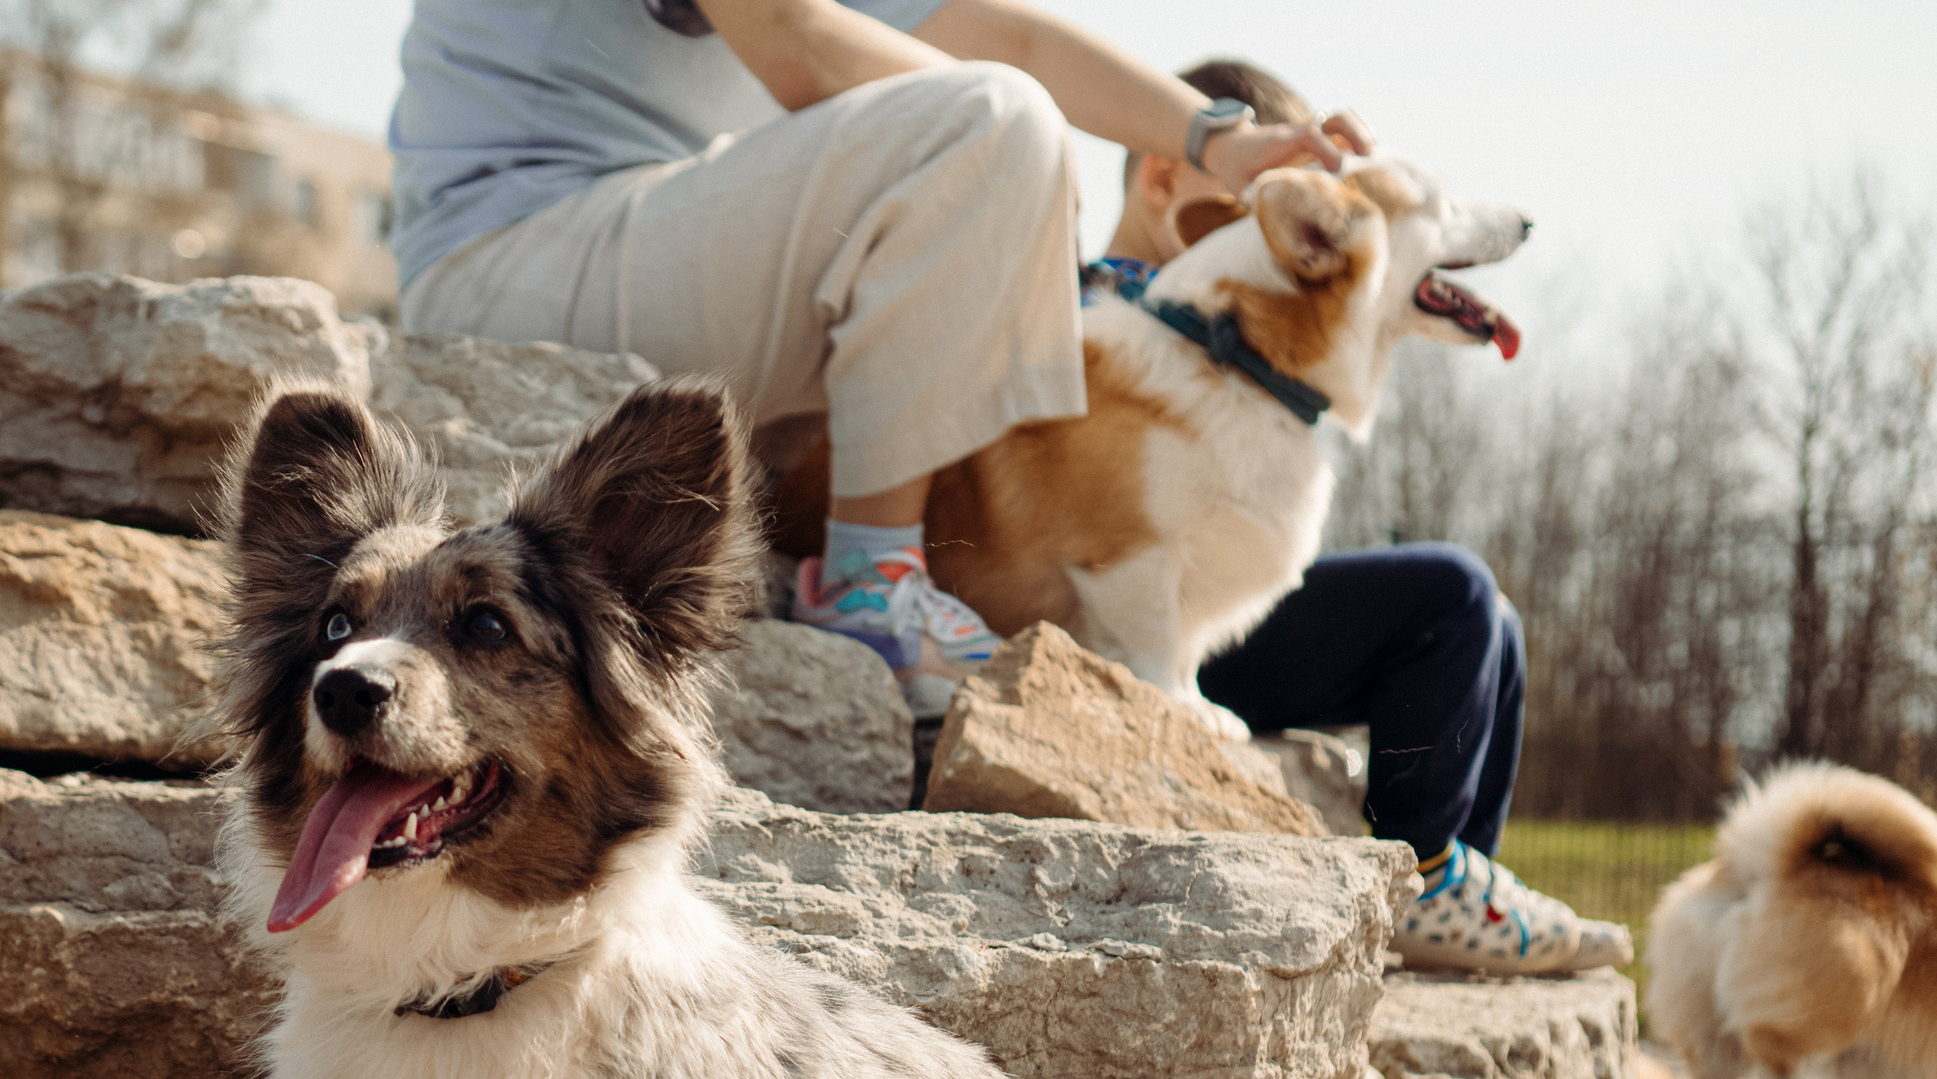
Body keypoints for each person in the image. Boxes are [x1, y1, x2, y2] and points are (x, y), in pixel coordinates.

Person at [387, 0, 1357, 716]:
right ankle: (870, 587)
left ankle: (858, 565)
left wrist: (1217, 139)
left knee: (1002, 133)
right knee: (997, 129)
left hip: (646, 244)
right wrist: (1014, 186)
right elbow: (799, 44)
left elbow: (999, 33)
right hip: (513, 261)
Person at [1099, 59, 1630, 976]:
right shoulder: (1091, 302)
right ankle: (1418, 876)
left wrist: (1376, 229)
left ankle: (1461, 876)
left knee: (1493, 621)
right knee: (1451, 597)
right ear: (1163, 172)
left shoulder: (1261, 320)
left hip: (1218, 610)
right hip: (1147, 615)